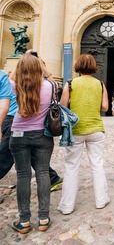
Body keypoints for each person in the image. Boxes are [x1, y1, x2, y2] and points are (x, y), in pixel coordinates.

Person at [57, 53, 110, 215]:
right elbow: (105, 107)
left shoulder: (71, 84)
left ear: (78, 66)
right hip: (96, 129)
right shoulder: (100, 84)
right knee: (97, 165)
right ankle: (101, 200)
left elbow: (62, 106)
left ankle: (67, 206)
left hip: (76, 131)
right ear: (94, 67)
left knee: (71, 167)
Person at [9, 54, 55, 233]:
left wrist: (22, 63)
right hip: (42, 135)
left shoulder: (15, 85)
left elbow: (10, 77)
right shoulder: (49, 86)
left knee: (23, 176)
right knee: (43, 173)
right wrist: (42, 66)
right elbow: (51, 79)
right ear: (39, 69)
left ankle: (24, 220)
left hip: (19, 134)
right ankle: (43, 218)